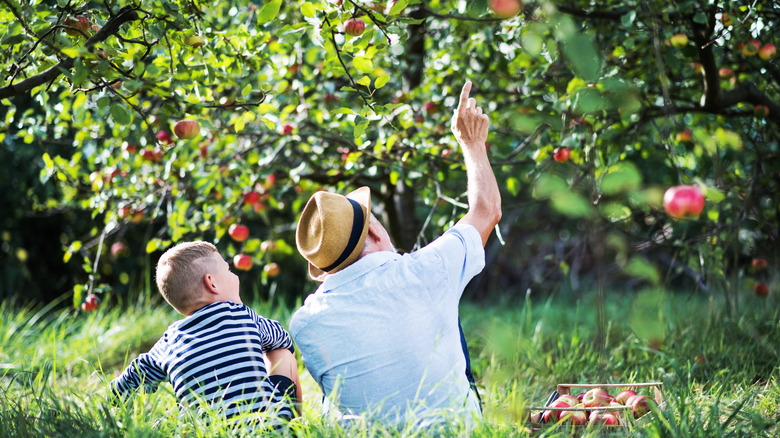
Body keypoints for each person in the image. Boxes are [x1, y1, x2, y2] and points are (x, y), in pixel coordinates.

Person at [290, 80, 501, 427]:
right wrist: (473, 143)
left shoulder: (305, 323)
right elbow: (487, 209)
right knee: (445, 305)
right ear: (374, 231)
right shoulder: (427, 271)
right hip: (454, 433)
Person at [109, 241, 302, 426]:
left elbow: (131, 379)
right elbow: (282, 338)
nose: (235, 276)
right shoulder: (241, 315)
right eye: (229, 270)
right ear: (212, 283)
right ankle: (296, 425)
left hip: (205, 432)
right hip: (269, 427)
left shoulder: (170, 341)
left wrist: (112, 398)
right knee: (282, 353)